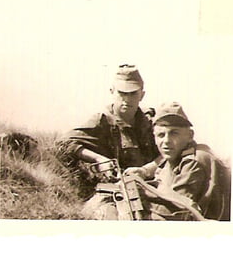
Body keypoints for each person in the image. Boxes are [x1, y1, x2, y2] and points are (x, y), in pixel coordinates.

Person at [55, 64, 159, 218]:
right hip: (114, 193)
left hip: (152, 189)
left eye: (132, 94)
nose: (127, 99)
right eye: (122, 93)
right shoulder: (102, 121)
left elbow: (172, 151)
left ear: (142, 95)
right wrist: (98, 158)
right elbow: (64, 143)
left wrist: (146, 170)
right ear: (112, 92)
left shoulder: (151, 122)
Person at [124, 102, 231, 221]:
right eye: (161, 135)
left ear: (190, 135)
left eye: (174, 133)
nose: (166, 141)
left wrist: (140, 190)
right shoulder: (177, 154)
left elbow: (175, 210)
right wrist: (144, 171)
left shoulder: (194, 161)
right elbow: (161, 163)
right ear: (154, 138)